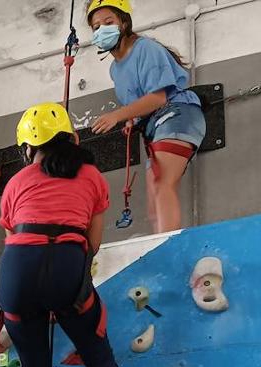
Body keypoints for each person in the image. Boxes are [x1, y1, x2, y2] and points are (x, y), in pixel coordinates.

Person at [0, 102, 146, 367]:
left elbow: (12, 239)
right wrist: (65, 284)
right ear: (71, 137)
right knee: (97, 353)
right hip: (65, 261)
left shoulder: (16, 183)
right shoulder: (92, 176)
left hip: (15, 273)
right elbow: (93, 241)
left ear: (26, 150)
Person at [86, 0, 205, 233]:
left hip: (177, 114)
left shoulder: (145, 48)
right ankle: (159, 242)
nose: (102, 30)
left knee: (162, 185)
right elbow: (140, 103)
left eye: (108, 22)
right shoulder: (115, 69)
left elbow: (158, 98)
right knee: (153, 199)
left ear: (124, 22)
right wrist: (132, 119)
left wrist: (117, 116)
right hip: (155, 125)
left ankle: (167, 244)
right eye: (96, 27)